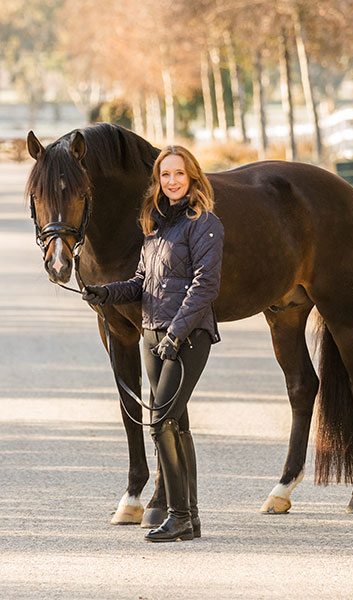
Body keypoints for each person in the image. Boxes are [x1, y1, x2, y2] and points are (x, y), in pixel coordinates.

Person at [82, 145, 224, 542]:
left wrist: (176, 335)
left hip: (188, 335)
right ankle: (190, 518)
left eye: (179, 174)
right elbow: (142, 282)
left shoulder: (205, 223)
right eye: (165, 175)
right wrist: (104, 294)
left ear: (193, 177)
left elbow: (205, 286)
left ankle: (178, 515)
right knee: (177, 424)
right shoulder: (156, 226)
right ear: (158, 181)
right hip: (152, 332)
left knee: (160, 422)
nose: (172, 181)